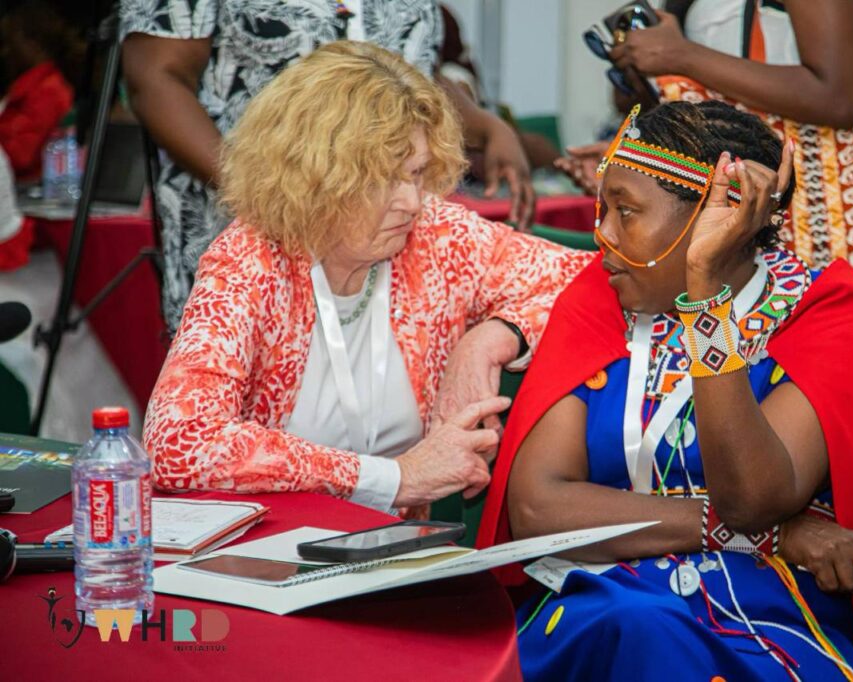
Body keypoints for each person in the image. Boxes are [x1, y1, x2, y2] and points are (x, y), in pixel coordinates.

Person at [478, 101, 853, 680]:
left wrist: (705, 295)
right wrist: (777, 536)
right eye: (602, 208)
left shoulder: (827, 314)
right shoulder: (597, 298)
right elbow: (539, 507)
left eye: (626, 212)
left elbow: (753, 496)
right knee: (637, 626)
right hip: (605, 598)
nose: (603, 237)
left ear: (717, 217)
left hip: (774, 612)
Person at [144, 41, 590, 517]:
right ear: (317, 179)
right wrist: (396, 478)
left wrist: (494, 337)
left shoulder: (436, 239)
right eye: (384, 180)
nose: (413, 201)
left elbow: (591, 280)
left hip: (401, 555)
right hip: (270, 560)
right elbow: (178, 442)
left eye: (417, 174)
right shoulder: (250, 259)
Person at [120, 0, 535, 334]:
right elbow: (155, 78)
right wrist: (267, 195)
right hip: (257, 229)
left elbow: (408, 64)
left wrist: (483, 125)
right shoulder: (243, 259)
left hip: (387, 245)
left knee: (392, 402)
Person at [559, 0, 853, 194]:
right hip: (728, 206)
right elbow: (707, 102)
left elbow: (838, 98)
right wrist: (635, 159)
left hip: (805, 204)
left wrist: (681, 55)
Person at [0, 0, 81, 182]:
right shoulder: (31, 87)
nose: (6, 52)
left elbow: (21, 156)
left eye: (10, 43)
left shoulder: (48, 90)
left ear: (31, 43)